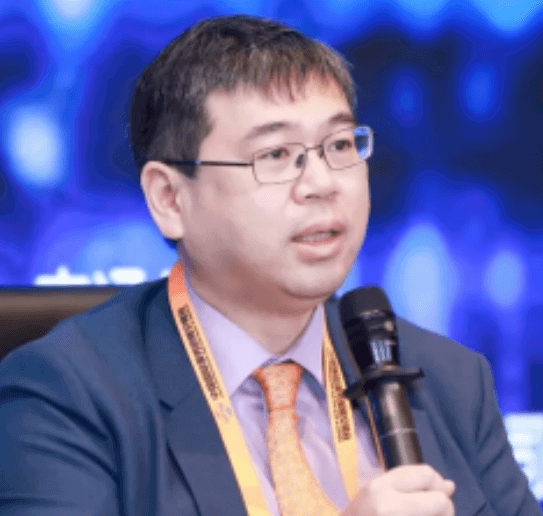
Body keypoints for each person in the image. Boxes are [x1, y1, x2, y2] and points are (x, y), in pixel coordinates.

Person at [0, 14, 540, 516]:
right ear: (169, 198)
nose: (323, 183)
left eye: (339, 145)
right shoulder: (67, 397)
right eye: (276, 155)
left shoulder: (449, 380)